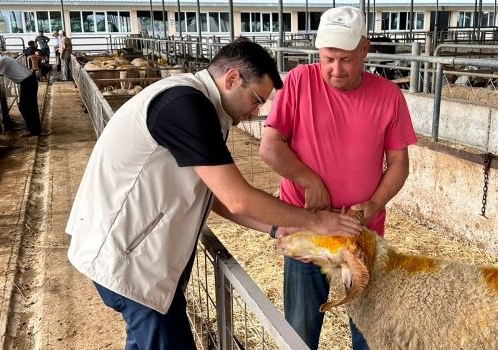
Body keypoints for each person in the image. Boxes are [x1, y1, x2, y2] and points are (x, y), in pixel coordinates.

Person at [65, 38, 361, 350]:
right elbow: (238, 197)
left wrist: (277, 227)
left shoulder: (202, 107)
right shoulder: (185, 105)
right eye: (257, 99)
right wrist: (317, 222)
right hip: (131, 263)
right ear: (233, 78)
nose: (255, 111)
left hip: (138, 258)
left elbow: (215, 195)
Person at [259, 7, 417, 350]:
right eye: (328, 58)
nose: (335, 69)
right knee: (300, 325)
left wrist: (374, 203)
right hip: (308, 227)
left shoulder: (388, 95)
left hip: (360, 230)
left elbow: (400, 162)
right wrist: (308, 180)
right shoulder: (299, 81)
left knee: (367, 325)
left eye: (346, 59)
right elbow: (269, 147)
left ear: (365, 48)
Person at [0, 46, 39, 135]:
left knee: (26, 106)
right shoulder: (2, 59)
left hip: (28, 82)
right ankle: (33, 128)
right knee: (27, 106)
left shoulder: (1, 61)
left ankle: (34, 130)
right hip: (27, 81)